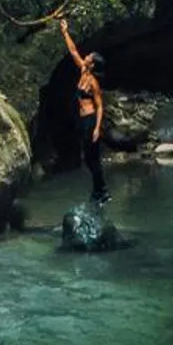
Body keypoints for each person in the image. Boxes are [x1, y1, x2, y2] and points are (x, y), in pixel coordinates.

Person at [59, 17, 109, 205]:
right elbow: (73, 51)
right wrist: (65, 31)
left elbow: (100, 105)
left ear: (92, 64)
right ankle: (98, 191)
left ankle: (102, 192)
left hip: (90, 120)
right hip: (82, 120)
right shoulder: (82, 71)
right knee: (88, 158)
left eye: (89, 57)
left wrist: (97, 128)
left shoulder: (93, 83)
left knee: (92, 159)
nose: (85, 56)